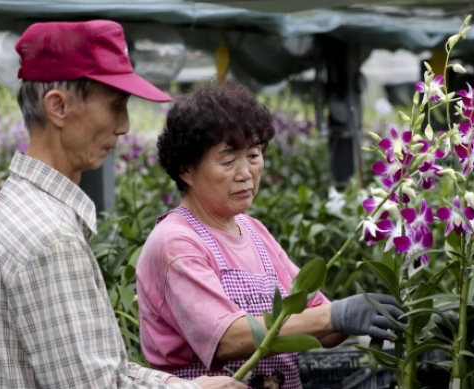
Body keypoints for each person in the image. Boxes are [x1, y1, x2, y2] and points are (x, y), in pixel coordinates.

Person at [0, 20, 244, 389]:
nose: (125, 125)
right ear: (59, 107)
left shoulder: (13, 206)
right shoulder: (51, 238)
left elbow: (92, 371)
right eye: (116, 106)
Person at [136, 82, 404, 389]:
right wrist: (338, 315)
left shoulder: (254, 232)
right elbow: (226, 338)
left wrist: (377, 311)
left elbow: (324, 327)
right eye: (228, 160)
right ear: (186, 169)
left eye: (253, 155)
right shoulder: (176, 242)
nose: (246, 172)